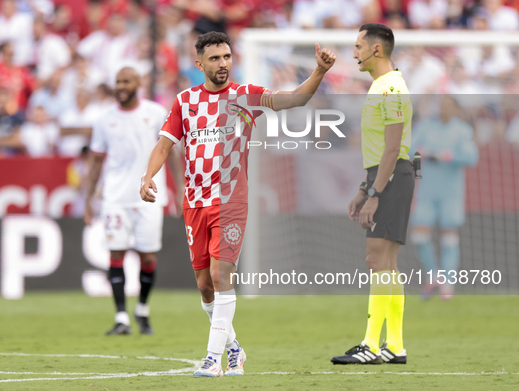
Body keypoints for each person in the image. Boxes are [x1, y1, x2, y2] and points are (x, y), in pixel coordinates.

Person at [140, 31, 336, 377]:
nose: (223, 64)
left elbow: (294, 100)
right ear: (199, 63)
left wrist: (318, 73)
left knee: (220, 274)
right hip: (195, 202)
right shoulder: (185, 101)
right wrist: (147, 177)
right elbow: (164, 144)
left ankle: (212, 359)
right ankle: (234, 349)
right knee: (204, 285)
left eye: (227, 57)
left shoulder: (245, 96)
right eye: (215, 58)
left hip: (231, 199)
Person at [331, 23, 413, 365]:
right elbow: (384, 149)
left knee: (377, 261)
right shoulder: (383, 85)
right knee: (387, 264)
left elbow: (392, 149)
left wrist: (377, 191)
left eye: (358, 46)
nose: (354, 53)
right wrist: (366, 189)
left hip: (392, 177)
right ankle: (393, 344)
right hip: (386, 178)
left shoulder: (390, 87)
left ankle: (370, 343)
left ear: (376, 49)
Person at [85, 66, 185, 336]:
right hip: (115, 197)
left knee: (147, 255)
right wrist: (87, 200)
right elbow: (95, 162)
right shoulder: (104, 119)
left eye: (126, 81)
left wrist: (181, 188)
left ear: (138, 83)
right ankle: (121, 317)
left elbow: (171, 153)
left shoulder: (154, 114)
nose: (121, 86)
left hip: (150, 196)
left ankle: (141, 308)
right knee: (115, 252)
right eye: (118, 81)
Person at [410, 95, 478, 300]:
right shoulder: (425, 128)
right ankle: (433, 276)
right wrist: (422, 159)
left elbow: (471, 158)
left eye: (447, 105)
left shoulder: (462, 131)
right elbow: (411, 153)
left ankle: (448, 283)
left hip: (451, 194)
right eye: (441, 105)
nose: (443, 109)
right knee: (419, 236)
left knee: (449, 238)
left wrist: (449, 156)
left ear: (455, 108)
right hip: (427, 192)